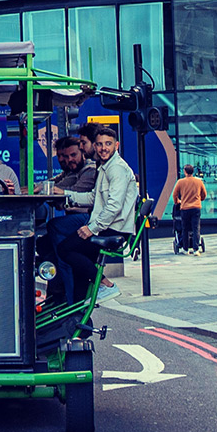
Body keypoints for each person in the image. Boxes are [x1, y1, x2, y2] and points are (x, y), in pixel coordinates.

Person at [55, 127, 138, 303]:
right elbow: (93, 197)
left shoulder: (117, 169)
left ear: (116, 145)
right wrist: (64, 194)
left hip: (113, 229)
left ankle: (106, 285)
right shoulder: (105, 167)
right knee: (80, 271)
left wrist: (92, 228)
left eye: (108, 144)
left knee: (64, 248)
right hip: (106, 226)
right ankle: (79, 321)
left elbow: (114, 206)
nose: (103, 148)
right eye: (99, 144)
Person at [37, 136, 97, 301]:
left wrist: (55, 195)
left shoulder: (89, 170)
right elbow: (50, 184)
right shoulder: (72, 171)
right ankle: (57, 296)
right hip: (77, 220)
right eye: (63, 156)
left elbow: (68, 192)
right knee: (44, 247)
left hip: (88, 220)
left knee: (55, 229)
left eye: (72, 155)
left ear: (82, 151)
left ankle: (69, 300)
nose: (68, 160)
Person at [172, 164, 207, 255]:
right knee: (196, 228)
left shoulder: (180, 182)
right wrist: (200, 200)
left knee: (185, 229)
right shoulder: (199, 182)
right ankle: (196, 249)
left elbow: (175, 194)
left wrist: (177, 202)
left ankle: (185, 248)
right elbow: (204, 194)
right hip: (196, 207)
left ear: (185, 172)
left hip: (185, 208)